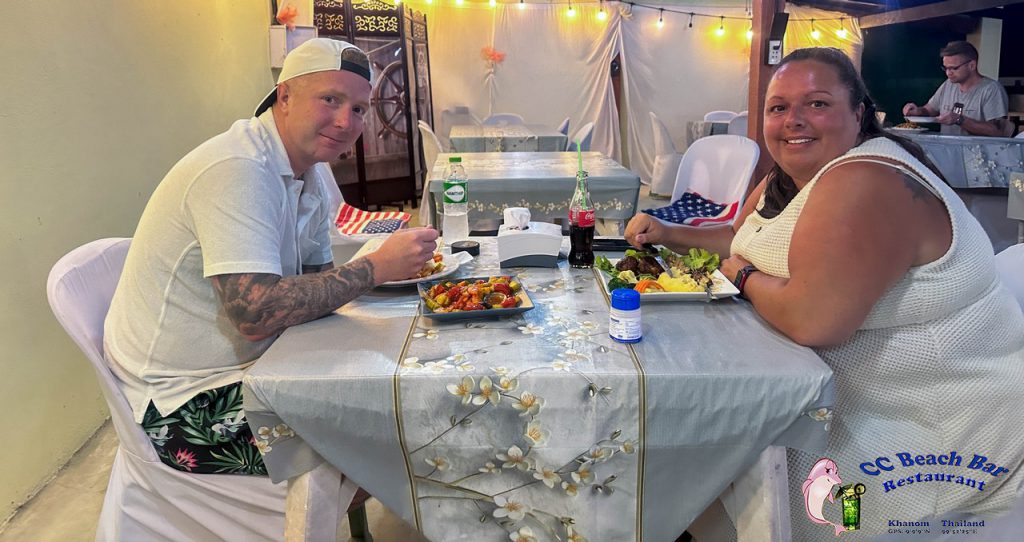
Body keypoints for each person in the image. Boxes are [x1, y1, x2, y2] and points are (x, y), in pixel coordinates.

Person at [628, 47, 1024, 539]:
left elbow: (812, 318)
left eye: (817, 103)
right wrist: (666, 231)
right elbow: (737, 238)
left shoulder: (866, 179)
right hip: (824, 392)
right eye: (778, 107)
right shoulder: (788, 178)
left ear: (859, 113)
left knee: (671, 443)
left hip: (925, 430)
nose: (793, 120)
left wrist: (744, 277)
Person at [104, 38, 439, 478]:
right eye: (330, 99)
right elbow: (256, 314)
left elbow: (318, 284)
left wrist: (378, 273)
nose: (346, 121)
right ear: (285, 96)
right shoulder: (237, 168)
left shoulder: (309, 173)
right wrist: (376, 266)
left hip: (258, 364)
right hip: (183, 404)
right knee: (397, 417)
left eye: (359, 109)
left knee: (403, 373)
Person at [903, 40, 1009, 136]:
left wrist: (960, 120)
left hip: (978, 151)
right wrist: (918, 111)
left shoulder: (991, 89)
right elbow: (929, 110)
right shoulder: (948, 85)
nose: (948, 73)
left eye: (954, 68)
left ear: (972, 65)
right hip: (947, 149)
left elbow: (998, 131)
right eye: (945, 68)